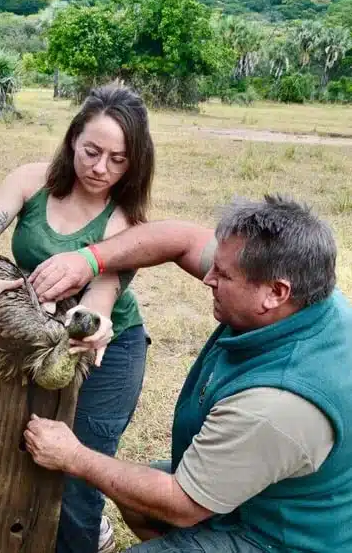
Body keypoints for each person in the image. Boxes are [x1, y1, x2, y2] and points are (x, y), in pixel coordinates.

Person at [24, 195, 352, 553]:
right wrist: (89, 260)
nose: (208, 277)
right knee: (138, 499)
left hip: (279, 539)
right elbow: (181, 239)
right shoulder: (306, 296)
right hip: (271, 495)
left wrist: (73, 456)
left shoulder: (277, 406)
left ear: (275, 292)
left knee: (156, 500)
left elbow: (181, 506)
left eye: (223, 275)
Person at [0, 83, 155, 553]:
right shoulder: (31, 180)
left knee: (77, 480)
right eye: (91, 151)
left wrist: (91, 322)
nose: (100, 168)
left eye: (118, 159)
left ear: (134, 163)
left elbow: (103, 293)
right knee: (18, 457)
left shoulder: (124, 220)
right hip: (38, 337)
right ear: (72, 140)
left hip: (107, 352)